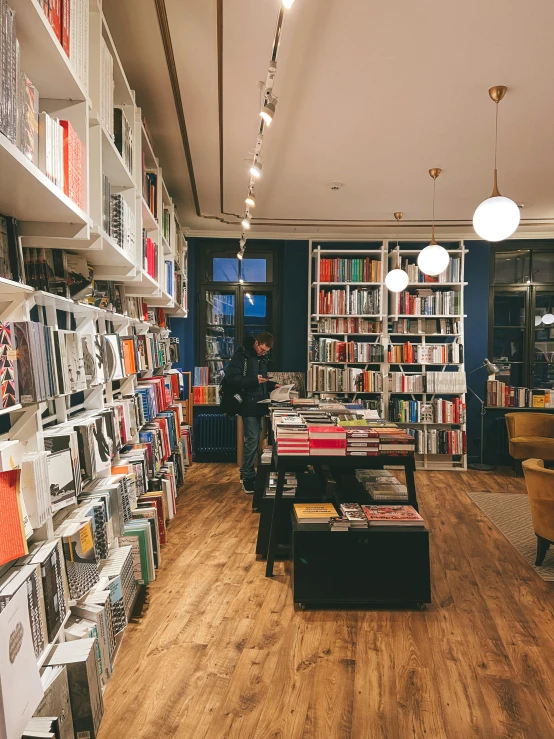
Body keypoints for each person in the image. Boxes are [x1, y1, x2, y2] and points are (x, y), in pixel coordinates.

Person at [223, 331, 279, 493]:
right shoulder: (241, 357)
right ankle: (246, 475)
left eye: (266, 351)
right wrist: (254, 380)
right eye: (262, 350)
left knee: (255, 440)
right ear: (256, 343)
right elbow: (231, 379)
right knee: (252, 440)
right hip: (247, 405)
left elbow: (261, 381)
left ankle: (250, 474)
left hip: (260, 404)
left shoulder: (261, 358)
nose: (263, 353)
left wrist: (271, 385)